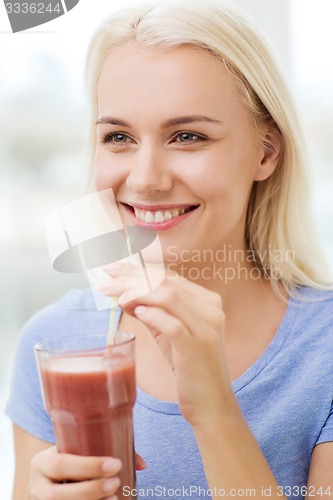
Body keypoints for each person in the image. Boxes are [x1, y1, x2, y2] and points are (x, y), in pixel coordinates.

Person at [6, 0, 333, 498]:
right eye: (118, 136)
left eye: (187, 136)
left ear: (266, 152)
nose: (145, 179)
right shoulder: (57, 343)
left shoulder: (323, 350)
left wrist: (214, 410)